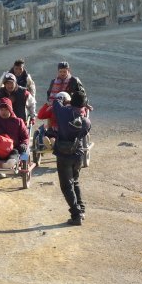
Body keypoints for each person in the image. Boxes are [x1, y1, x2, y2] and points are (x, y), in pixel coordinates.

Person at [52, 91, 91, 226]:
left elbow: (56, 100)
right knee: (75, 182)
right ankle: (81, 210)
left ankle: (76, 215)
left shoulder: (63, 113)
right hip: (78, 155)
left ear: (71, 101)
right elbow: (84, 132)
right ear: (84, 105)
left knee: (66, 186)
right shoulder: (86, 121)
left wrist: (65, 100)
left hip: (63, 155)